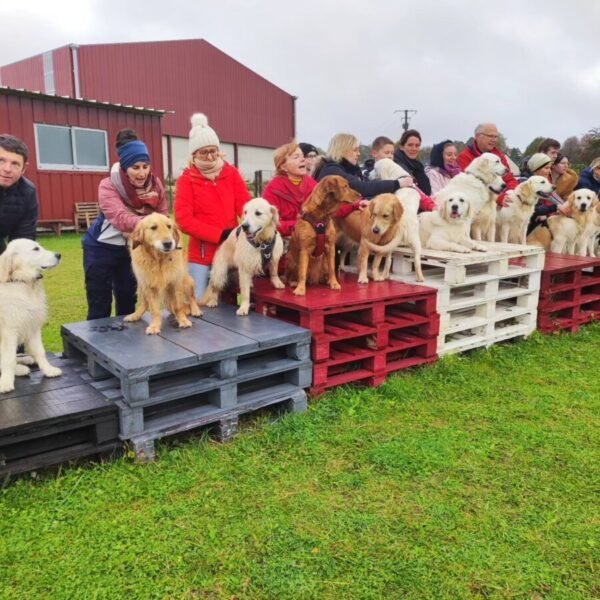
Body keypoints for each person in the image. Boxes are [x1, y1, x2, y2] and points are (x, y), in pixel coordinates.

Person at [82, 129, 167, 320]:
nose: (142, 172)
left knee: (128, 299)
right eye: (135, 167)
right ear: (124, 167)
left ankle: (126, 348)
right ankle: (98, 344)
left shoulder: (156, 185)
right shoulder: (108, 185)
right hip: (100, 247)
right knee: (99, 301)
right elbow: (120, 218)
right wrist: (151, 226)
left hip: (134, 248)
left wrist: (161, 233)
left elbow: (162, 216)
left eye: (145, 166)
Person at [174, 113, 250, 298]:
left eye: (213, 151)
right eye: (204, 152)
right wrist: (218, 234)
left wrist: (249, 225)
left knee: (228, 301)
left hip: (231, 248)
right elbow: (184, 220)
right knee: (196, 300)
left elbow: (245, 205)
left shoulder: (231, 173)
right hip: (201, 255)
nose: (210, 156)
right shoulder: (186, 180)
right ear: (194, 154)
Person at [313, 133, 415, 200]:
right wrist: (397, 183)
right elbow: (361, 188)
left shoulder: (349, 170)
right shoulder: (332, 170)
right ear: (342, 150)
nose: (358, 154)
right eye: (355, 150)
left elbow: (367, 185)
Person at [262, 141, 317, 237]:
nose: (303, 159)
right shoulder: (272, 190)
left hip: (312, 240)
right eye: (296, 157)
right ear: (284, 167)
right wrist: (300, 226)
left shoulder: (313, 185)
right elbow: (270, 223)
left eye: (302, 156)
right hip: (285, 243)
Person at [457, 123, 519, 205]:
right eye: (490, 136)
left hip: (502, 200)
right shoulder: (464, 157)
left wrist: (511, 194)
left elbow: (509, 179)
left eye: (496, 137)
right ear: (477, 136)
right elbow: (471, 186)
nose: (494, 140)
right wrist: (498, 198)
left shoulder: (499, 156)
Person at [0, 134, 39, 255]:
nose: (7, 169)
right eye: (1, 161)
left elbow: (23, 240)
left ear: (23, 169)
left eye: (15, 164)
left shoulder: (27, 193)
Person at [526, 153, 569, 233]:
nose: (549, 171)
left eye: (549, 168)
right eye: (546, 168)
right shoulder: (528, 185)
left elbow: (556, 201)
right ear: (536, 169)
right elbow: (533, 210)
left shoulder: (543, 184)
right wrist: (555, 208)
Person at [393, 129, 432, 195]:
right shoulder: (396, 165)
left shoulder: (417, 166)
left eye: (417, 146)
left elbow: (427, 192)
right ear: (402, 147)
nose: (414, 149)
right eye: (410, 145)